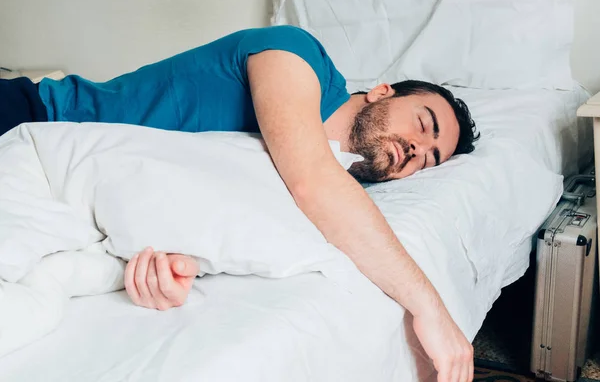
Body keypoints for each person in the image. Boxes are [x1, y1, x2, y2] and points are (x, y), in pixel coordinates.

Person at [1, 25, 479, 381]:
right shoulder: (296, 55)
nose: (419, 149)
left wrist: (168, 266)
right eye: (423, 123)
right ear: (382, 92)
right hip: (34, 116)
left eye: (431, 159)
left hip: (87, 197)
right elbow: (311, 178)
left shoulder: (321, 183)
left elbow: (194, 204)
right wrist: (430, 307)